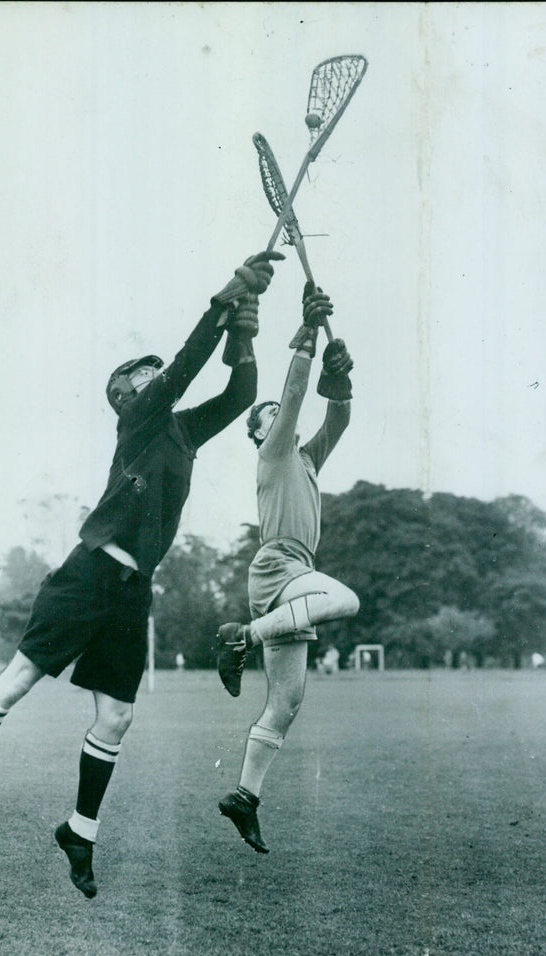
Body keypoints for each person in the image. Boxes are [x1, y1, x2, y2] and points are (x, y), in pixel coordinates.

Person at [0, 249, 284, 898]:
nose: (157, 375)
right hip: (84, 576)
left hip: (131, 591)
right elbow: (183, 370)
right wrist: (222, 301)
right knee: (18, 681)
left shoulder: (181, 431)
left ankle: (79, 833)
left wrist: (245, 333)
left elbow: (240, 395)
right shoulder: (141, 416)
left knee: (116, 720)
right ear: (127, 394)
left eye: (155, 371)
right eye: (145, 373)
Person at [214, 282, 360, 854]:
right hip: (280, 570)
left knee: (286, 703)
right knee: (346, 599)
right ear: (258, 433)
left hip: (293, 580)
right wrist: (305, 336)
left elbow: (338, 421)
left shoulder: (305, 459)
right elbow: (294, 398)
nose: (278, 419)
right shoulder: (273, 453)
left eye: (277, 416)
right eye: (269, 417)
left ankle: (244, 798)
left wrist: (340, 379)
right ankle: (240, 637)